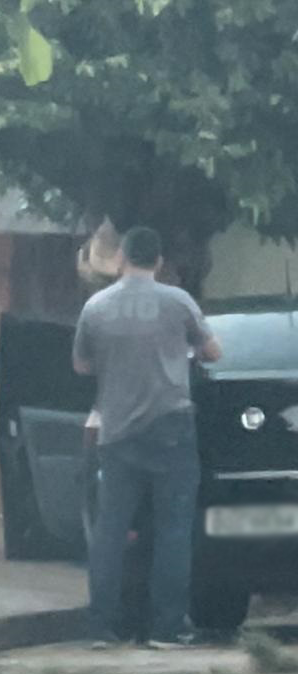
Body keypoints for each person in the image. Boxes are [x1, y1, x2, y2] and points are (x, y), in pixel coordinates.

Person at [73, 226, 222, 650]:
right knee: (173, 530)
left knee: (110, 530)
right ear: (158, 262)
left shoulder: (96, 306)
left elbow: (81, 365)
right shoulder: (178, 302)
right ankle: (167, 628)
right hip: (171, 428)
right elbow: (213, 352)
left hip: (117, 431)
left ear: (121, 257)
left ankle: (102, 626)